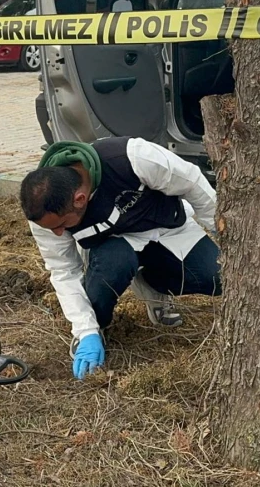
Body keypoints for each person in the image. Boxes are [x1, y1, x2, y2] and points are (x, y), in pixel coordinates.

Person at [19, 137, 222, 380]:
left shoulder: (134, 158)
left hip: (168, 229)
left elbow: (194, 184)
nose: (59, 234)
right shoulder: (46, 214)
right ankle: (97, 329)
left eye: (62, 226)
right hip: (115, 249)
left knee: (218, 276)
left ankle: (151, 285)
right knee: (115, 264)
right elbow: (64, 271)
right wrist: (86, 330)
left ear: (80, 199)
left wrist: (228, 237)